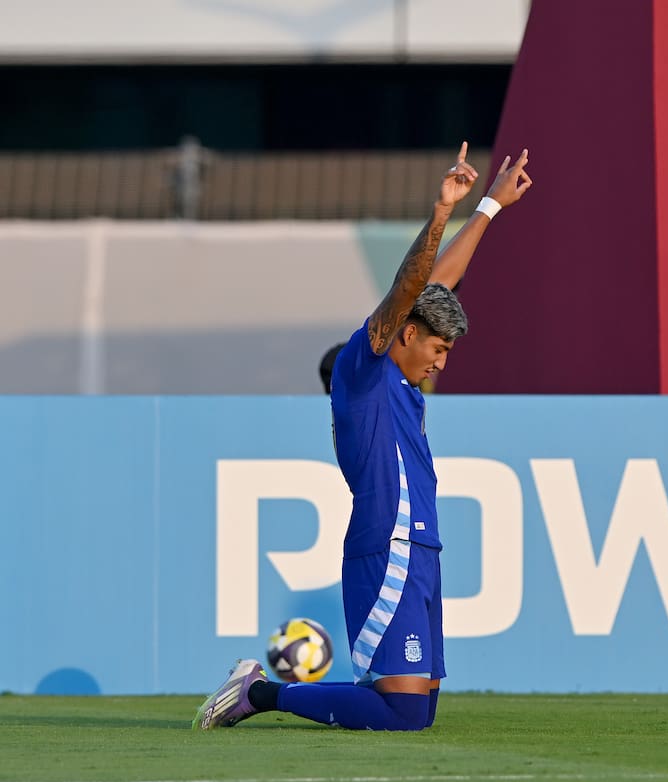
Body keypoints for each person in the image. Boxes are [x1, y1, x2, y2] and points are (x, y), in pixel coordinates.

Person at [194, 142, 532, 731]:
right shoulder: (365, 366)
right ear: (405, 334)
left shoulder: (401, 371)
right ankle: (259, 692)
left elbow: (437, 285)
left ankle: (316, 695)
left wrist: (490, 209)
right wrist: (440, 213)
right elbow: (413, 286)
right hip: (388, 544)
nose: (442, 364)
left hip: (422, 548)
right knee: (398, 710)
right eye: (438, 349)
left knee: (417, 711)